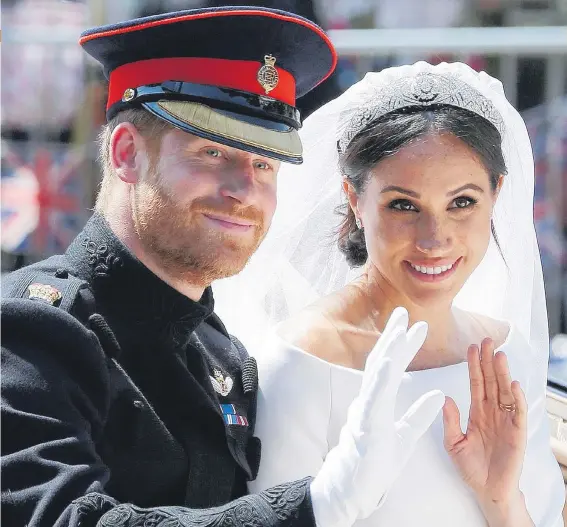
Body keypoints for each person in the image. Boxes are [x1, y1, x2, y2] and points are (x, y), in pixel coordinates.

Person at [1, 7, 447, 527]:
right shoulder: (30, 333)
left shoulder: (224, 356)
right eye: (213, 153)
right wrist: (318, 506)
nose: (244, 191)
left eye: (264, 163)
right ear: (126, 154)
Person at [213, 61, 566, 526]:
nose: (434, 237)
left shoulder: (504, 352)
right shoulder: (303, 361)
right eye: (403, 205)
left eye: (462, 202)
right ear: (354, 199)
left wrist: (499, 499)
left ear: (496, 195)